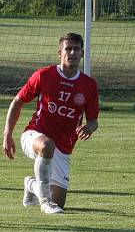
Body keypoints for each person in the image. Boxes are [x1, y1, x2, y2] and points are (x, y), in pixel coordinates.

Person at [3, 33, 99, 214]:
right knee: (47, 145)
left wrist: (89, 127)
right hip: (34, 135)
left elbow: (94, 120)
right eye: (68, 49)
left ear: (82, 53)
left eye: (76, 49)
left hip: (64, 145)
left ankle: (31, 185)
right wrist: (7, 134)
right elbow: (18, 100)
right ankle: (45, 202)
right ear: (60, 52)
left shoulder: (89, 85)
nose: (72, 53)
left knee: (60, 203)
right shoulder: (44, 75)